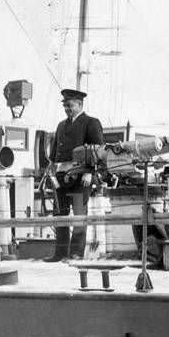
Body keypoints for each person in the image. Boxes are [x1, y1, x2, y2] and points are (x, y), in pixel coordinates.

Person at [45, 88, 104, 262]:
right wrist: (53, 173)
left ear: (79, 104)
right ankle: (60, 253)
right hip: (61, 177)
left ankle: (76, 253)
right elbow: (55, 154)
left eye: (69, 105)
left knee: (79, 215)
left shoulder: (91, 123)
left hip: (80, 179)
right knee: (60, 214)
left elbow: (98, 150)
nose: (66, 108)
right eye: (65, 105)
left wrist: (89, 172)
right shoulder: (61, 125)